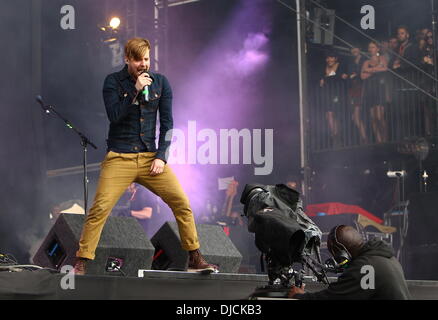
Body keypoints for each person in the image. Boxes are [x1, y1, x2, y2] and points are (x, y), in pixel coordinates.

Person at [73, 37, 218, 274]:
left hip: (151, 158)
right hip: (120, 157)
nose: (144, 64)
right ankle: (83, 260)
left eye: (147, 59)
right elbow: (114, 116)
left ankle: (194, 256)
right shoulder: (112, 82)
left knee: (181, 203)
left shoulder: (161, 83)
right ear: (127, 59)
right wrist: (135, 90)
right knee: (100, 209)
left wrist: (162, 156)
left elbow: (168, 123)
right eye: (139, 59)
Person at [288, 225, 411, 300]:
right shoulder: (388, 259)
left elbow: (334, 297)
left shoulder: (365, 267)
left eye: (335, 255)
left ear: (342, 254)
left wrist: (300, 296)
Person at [361, 41, 389, 143]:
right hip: (370, 90)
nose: (370, 49)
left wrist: (369, 70)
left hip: (379, 89)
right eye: (369, 47)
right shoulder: (366, 62)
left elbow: (385, 68)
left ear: (377, 48)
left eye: (373, 47)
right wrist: (377, 69)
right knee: (373, 118)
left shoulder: (382, 58)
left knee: (380, 117)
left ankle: (385, 140)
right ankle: (379, 141)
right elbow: (362, 76)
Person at [319, 51, 348, 147]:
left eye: (331, 57)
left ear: (335, 58)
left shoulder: (340, 66)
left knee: (335, 115)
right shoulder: (324, 68)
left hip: (337, 93)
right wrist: (324, 79)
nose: (329, 60)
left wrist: (326, 78)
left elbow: (339, 77)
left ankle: (337, 136)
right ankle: (334, 135)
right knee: (328, 115)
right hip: (327, 93)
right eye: (327, 58)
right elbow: (322, 80)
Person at [347, 47, 368, 144]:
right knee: (355, 117)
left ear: (359, 49)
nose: (354, 51)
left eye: (355, 48)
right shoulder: (351, 62)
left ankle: (364, 138)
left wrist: (356, 75)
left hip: (362, 88)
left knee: (357, 115)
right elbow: (349, 75)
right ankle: (363, 138)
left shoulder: (364, 60)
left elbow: (364, 74)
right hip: (353, 90)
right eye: (352, 49)